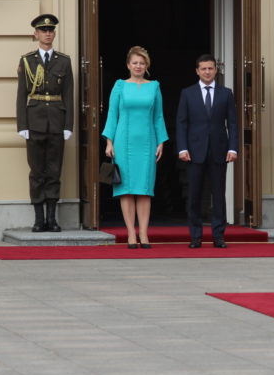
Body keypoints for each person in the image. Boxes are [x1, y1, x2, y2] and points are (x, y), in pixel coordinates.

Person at [102, 46, 169, 249]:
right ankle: (131, 233)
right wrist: (109, 141)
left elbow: (158, 116)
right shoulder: (120, 86)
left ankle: (144, 234)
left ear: (146, 65)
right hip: (123, 143)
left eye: (141, 63)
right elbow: (113, 115)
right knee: (126, 190)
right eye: (134, 63)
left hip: (147, 142)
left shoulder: (154, 86)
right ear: (128, 65)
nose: (138, 66)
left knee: (144, 189)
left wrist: (161, 142)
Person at [16, 13, 74, 233]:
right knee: (37, 172)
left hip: (57, 123)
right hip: (34, 122)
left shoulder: (64, 61)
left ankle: (52, 218)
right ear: (36, 34)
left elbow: (69, 94)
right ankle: (39, 219)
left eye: (50, 31)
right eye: (43, 31)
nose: (47, 34)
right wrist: (22, 124)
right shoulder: (27, 60)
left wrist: (68, 125)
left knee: (54, 171)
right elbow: (21, 94)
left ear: (54, 34)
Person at [176, 54, 238, 248]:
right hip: (194, 151)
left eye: (210, 68)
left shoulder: (226, 93)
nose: (207, 72)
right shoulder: (188, 93)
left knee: (219, 195)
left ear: (216, 70)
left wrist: (233, 148)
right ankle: (195, 236)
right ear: (197, 71)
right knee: (194, 195)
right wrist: (182, 148)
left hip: (219, 150)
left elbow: (233, 124)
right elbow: (181, 123)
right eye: (203, 69)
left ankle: (218, 236)